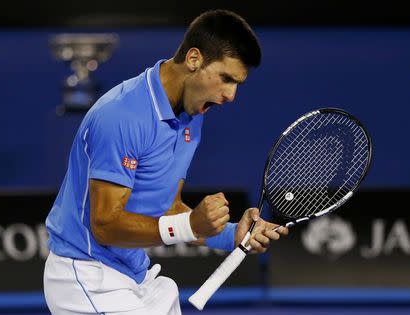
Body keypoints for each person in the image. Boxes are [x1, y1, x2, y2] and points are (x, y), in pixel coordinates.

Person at [43, 9, 289, 315]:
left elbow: (165, 206)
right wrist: (188, 226)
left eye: (238, 84)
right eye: (226, 78)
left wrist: (230, 233)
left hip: (135, 275)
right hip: (86, 276)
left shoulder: (193, 116)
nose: (230, 96)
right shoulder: (122, 115)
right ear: (194, 59)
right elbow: (105, 225)